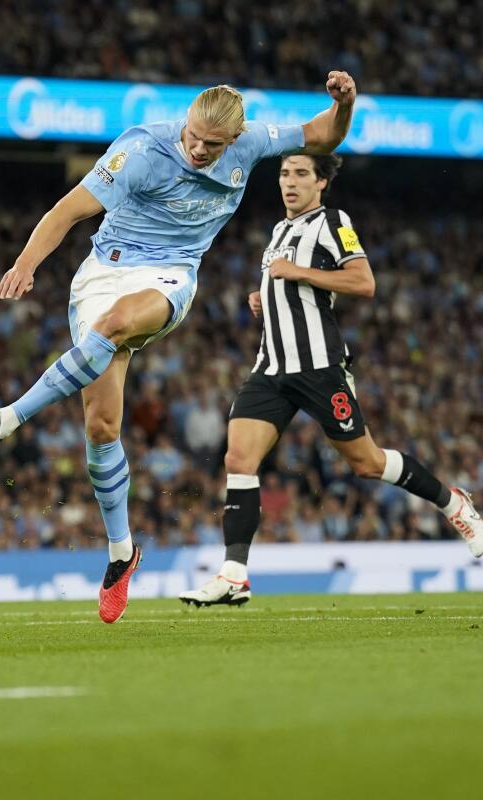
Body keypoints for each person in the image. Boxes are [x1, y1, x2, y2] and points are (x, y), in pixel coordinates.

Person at [0, 73, 359, 624]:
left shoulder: (254, 141)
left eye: (211, 145)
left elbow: (323, 136)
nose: (197, 149)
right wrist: (26, 265)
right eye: (193, 136)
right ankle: (121, 554)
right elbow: (67, 211)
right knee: (101, 426)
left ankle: (4, 420)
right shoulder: (142, 150)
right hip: (105, 270)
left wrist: (346, 104)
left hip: (171, 277)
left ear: (233, 140)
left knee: (118, 323)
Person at [179, 154, 483, 606]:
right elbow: (292, 289)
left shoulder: (332, 221)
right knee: (238, 459)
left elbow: (364, 281)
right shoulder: (279, 232)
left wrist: (296, 273)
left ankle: (452, 502)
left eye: (302, 174)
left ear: (321, 183)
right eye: (284, 174)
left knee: (366, 463)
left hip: (319, 367)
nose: (290, 182)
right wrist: (265, 296)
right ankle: (233, 575)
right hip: (271, 368)